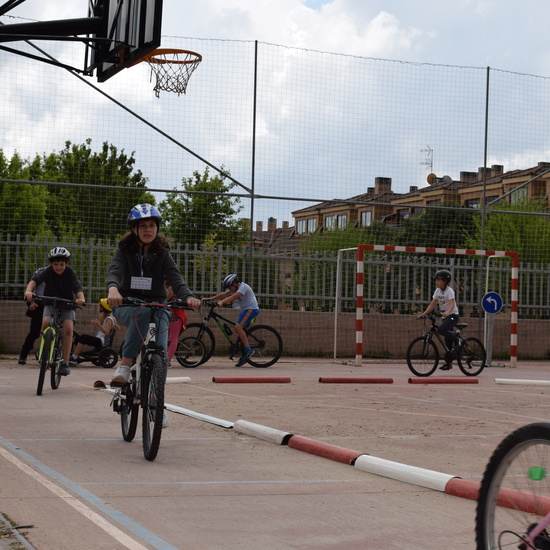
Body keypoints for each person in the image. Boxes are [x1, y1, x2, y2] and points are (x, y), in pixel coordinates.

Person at [106, 203, 200, 392]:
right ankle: (124, 366)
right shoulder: (124, 250)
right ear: (134, 229)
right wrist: (113, 290)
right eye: (143, 226)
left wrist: (188, 296)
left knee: (161, 352)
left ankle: (156, 401)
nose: (148, 230)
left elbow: (175, 277)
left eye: (152, 226)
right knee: (143, 312)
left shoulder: (163, 253)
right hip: (126, 304)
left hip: (157, 304)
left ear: (157, 227)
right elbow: (114, 270)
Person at [23, 247, 86, 376]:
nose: (58, 267)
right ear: (51, 264)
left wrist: (80, 298)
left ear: (66, 264)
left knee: (68, 329)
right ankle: (43, 350)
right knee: (45, 323)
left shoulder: (70, 273)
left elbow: (77, 286)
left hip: (67, 304)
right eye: (56, 264)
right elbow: (35, 280)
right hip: (50, 302)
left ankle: (65, 363)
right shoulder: (47, 272)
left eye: (61, 264)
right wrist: (28, 291)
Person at [205, 273, 260, 367]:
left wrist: (221, 302)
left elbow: (234, 297)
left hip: (251, 309)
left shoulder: (243, 287)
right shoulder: (234, 288)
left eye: (230, 287)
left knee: (238, 327)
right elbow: (223, 294)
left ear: (235, 283)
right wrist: (210, 299)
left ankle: (248, 350)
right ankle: (244, 353)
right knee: (240, 329)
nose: (229, 289)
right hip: (245, 310)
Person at [417, 269, 459, 371]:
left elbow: (452, 304)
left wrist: (448, 312)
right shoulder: (437, 291)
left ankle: (458, 340)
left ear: (445, 281)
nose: (436, 282)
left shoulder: (449, 291)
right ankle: (448, 363)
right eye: (436, 280)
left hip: (453, 315)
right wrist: (423, 314)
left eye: (439, 280)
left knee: (441, 330)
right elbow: (432, 304)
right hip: (445, 316)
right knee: (447, 340)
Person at [69, 298, 118, 365]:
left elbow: (107, 332)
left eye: (100, 306)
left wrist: (98, 325)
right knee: (78, 337)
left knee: (83, 337)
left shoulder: (109, 319)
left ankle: (74, 358)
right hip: (100, 340)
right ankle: (74, 355)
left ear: (103, 308)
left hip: (101, 342)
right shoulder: (108, 319)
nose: (99, 307)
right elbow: (117, 328)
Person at [18, 266, 47, 365]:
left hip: (53, 305)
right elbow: (29, 291)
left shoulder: (63, 274)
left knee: (55, 331)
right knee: (34, 332)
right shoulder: (41, 272)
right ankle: (23, 355)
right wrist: (31, 303)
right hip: (39, 305)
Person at [166, 283, 187, 364]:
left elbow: (168, 296)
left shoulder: (171, 285)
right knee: (163, 337)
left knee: (173, 338)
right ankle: (165, 358)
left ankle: (168, 360)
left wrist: (162, 302)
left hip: (176, 315)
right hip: (169, 314)